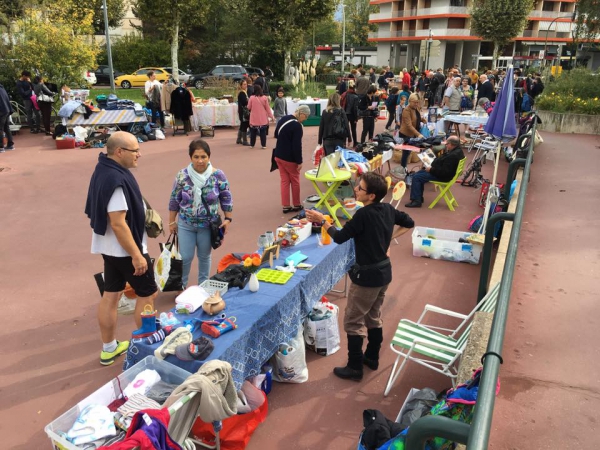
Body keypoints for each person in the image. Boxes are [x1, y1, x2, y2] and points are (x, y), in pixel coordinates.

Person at [306, 172, 415, 381]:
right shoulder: (388, 209)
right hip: (384, 273)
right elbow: (409, 222)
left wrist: (323, 221)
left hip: (367, 277)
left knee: (353, 321)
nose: (355, 189)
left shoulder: (363, 215)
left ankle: (355, 367)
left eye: (360, 188)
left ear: (371, 195)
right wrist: (388, 239)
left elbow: (339, 237)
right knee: (373, 316)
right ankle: (372, 358)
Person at [84, 131, 158, 366]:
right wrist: (137, 255)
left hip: (109, 248)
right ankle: (148, 351)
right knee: (147, 294)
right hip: (126, 249)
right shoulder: (115, 181)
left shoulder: (103, 169)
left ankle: (109, 348)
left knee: (111, 294)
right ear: (119, 152)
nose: (139, 154)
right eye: (135, 150)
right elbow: (118, 222)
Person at [168, 139, 233, 287]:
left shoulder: (218, 175)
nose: (200, 161)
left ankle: (203, 286)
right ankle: (181, 286)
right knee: (185, 257)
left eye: (203, 157)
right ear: (190, 158)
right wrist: (172, 222)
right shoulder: (182, 176)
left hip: (207, 225)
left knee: (204, 257)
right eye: (196, 157)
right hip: (186, 224)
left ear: (209, 157)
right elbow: (174, 200)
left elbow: (226, 198)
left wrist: (228, 219)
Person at [405, 136, 465, 208]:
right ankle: (418, 198)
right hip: (446, 173)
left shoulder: (453, 155)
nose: (446, 145)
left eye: (447, 143)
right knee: (420, 173)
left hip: (444, 177)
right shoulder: (458, 151)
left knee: (417, 177)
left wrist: (431, 170)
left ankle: (416, 201)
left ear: (451, 144)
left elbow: (444, 172)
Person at [273, 105, 309, 213]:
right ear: (302, 113)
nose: (305, 119)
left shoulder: (284, 118)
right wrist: (299, 161)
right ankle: (297, 204)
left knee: (284, 181)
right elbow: (296, 146)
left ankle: (286, 205)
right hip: (290, 158)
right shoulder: (297, 126)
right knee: (295, 180)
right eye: (305, 117)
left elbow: (276, 134)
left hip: (278, 155)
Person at [397, 93, 427, 167]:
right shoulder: (406, 110)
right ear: (410, 101)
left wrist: (422, 120)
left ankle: (403, 167)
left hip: (413, 133)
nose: (417, 104)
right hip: (406, 133)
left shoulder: (415, 108)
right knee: (406, 152)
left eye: (417, 102)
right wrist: (418, 134)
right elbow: (409, 125)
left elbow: (417, 117)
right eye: (415, 102)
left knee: (408, 151)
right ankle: (403, 167)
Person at [247, 85, 274, 149]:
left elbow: (248, 107)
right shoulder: (264, 98)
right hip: (263, 118)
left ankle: (252, 144)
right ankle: (263, 145)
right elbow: (267, 108)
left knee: (253, 132)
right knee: (263, 133)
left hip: (254, 118)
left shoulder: (251, 98)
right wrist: (271, 116)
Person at [342, 83, 360, 147]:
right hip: (352, 114)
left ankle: (344, 143)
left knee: (345, 129)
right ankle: (355, 143)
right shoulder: (355, 96)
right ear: (354, 89)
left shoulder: (344, 94)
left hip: (345, 114)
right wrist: (356, 117)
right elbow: (355, 108)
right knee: (353, 129)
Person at [0, 82, 15, 152]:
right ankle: (10, 145)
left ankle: (1, 147)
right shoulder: (2, 88)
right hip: (7, 110)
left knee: (0, 128)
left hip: (2, 111)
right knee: (6, 128)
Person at [236, 79, 250, 146]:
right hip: (244, 112)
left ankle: (239, 139)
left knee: (242, 125)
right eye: (244, 84)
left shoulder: (243, 92)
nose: (245, 85)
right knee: (245, 125)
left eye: (246, 84)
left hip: (242, 111)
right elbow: (245, 102)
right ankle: (244, 140)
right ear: (241, 85)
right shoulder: (242, 93)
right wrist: (249, 100)